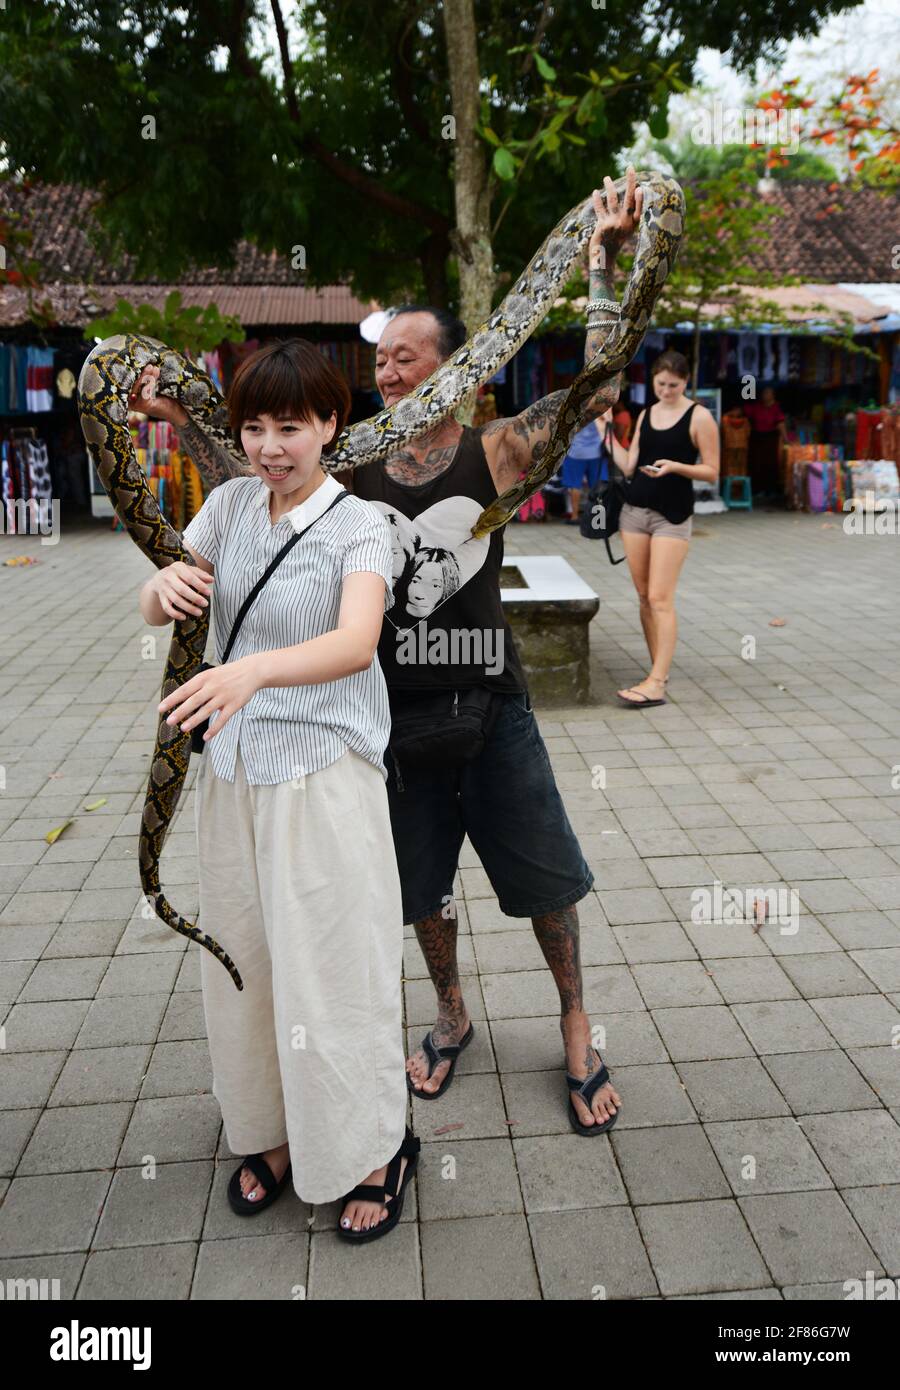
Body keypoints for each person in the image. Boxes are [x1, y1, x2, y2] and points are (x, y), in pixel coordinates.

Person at [335, 169, 645, 1133]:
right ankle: (452, 1014)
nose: (388, 373)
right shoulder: (349, 463)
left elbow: (599, 391)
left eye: (405, 356)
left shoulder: (499, 447)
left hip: (495, 704)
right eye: (380, 361)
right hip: (392, 712)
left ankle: (576, 1020)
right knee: (420, 887)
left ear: (455, 363)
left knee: (548, 880)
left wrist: (606, 268)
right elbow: (257, 481)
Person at [132, 339, 417, 1241]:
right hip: (234, 774)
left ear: (332, 424)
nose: (269, 446)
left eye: (289, 425)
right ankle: (271, 1132)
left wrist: (250, 673)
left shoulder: (360, 524)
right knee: (246, 963)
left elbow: (356, 642)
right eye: (254, 425)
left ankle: (374, 1147)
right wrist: (160, 585)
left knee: (332, 968)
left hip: (322, 780)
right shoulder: (224, 508)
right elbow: (166, 600)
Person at [614, 349, 720, 708]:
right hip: (634, 511)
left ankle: (656, 682)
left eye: (674, 385)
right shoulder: (646, 413)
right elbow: (629, 466)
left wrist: (676, 467)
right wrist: (604, 432)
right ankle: (656, 669)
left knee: (661, 598)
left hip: (671, 516)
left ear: (686, 382)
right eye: (661, 384)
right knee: (644, 596)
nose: (666, 391)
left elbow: (711, 470)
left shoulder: (699, 417)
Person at [561, 417, 608, 525]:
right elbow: (607, 424)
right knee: (598, 486)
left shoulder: (574, 406)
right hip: (596, 452)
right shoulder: (600, 406)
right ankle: (598, 519)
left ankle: (574, 516)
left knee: (574, 485)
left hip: (575, 452)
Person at [744, 386, 786, 498]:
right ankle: (758, 490)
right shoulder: (757, 406)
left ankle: (771, 490)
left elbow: (780, 424)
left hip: (771, 439)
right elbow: (746, 413)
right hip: (757, 438)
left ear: (773, 395)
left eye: (767, 393)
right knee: (757, 465)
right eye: (764, 393)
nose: (765, 395)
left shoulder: (776, 408)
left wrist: (786, 439)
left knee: (771, 465)